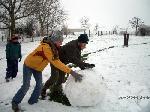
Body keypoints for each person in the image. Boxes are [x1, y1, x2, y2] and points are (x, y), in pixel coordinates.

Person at [11, 31, 83, 111]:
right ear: (55, 40)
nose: (61, 43)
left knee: (39, 85)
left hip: (38, 69)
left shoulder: (54, 48)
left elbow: (57, 60)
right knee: (26, 85)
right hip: (29, 65)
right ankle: (15, 102)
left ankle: (33, 101)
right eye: (60, 41)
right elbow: (56, 62)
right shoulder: (46, 48)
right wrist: (72, 72)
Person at [41, 34, 95, 101]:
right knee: (54, 77)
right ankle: (44, 89)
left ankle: (56, 89)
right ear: (80, 42)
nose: (85, 46)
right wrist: (86, 64)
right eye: (84, 44)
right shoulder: (72, 46)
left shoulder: (78, 46)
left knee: (61, 78)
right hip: (55, 61)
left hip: (62, 63)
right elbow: (74, 60)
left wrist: (83, 67)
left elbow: (78, 59)